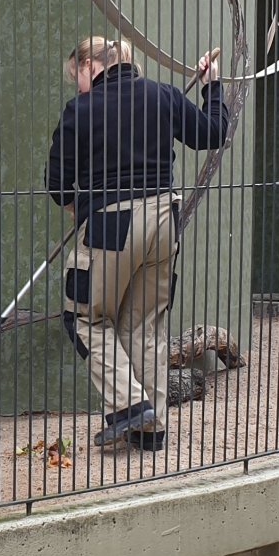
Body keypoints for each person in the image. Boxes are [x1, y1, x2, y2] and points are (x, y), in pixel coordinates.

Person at [45, 37, 227, 453]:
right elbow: (212, 133)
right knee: (144, 325)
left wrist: (78, 206)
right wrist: (212, 87)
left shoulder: (82, 110)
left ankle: (129, 408)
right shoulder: (163, 95)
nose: (78, 88)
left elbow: (56, 182)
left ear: (92, 65)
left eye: (78, 77)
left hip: (112, 225)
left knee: (85, 319)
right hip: (166, 222)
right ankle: (151, 431)